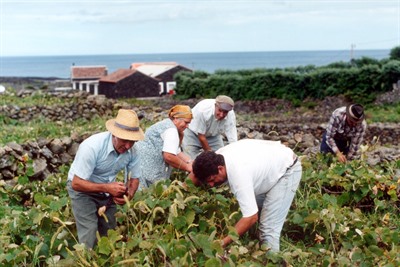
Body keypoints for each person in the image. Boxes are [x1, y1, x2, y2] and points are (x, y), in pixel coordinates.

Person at [191, 139, 302, 252]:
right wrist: (183, 188)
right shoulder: (216, 157)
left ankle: (274, 261)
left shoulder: (239, 175)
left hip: (287, 170)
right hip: (269, 166)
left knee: (268, 229)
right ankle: (257, 252)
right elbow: (194, 173)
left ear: (220, 169)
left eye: (212, 179)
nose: (210, 185)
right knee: (250, 215)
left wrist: (222, 244)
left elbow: (251, 217)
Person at [66, 109, 144, 249]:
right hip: (82, 189)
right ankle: (85, 261)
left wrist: (129, 195)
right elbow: (76, 183)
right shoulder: (92, 147)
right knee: (89, 231)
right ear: (114, 134)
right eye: (124, 140)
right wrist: (107, 187)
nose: (127, 146)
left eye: (132, 141)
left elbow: (135, 179)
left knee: (110, 232)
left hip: (107, 191)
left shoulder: (133, 150)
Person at [135, 105, 193, 188]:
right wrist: (187, 167)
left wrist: (190, 161)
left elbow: (176, 151)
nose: (187, 126)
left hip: (138, 166)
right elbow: (169, 156)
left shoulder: (167, 125)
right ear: (176, 118)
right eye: (186, 122)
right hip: (145, 170)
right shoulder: (171, 130)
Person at [182, 95, 237, 159]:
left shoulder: (230, 114)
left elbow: (232, 138)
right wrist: (211, 156)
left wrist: (234, 153)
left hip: (213, 135)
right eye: (220, 110)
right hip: (192, 133)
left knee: (221, 158)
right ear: (215, 105)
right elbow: (201, 136)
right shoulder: (203, 110)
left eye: (225, 112)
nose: (221, 115)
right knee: (191, 161)